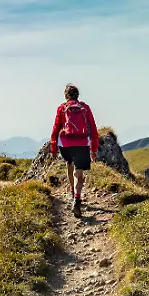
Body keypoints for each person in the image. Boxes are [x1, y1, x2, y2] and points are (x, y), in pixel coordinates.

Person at [49, 84, 99, 217]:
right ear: (78, 95)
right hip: (82, 143)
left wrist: (53, 147)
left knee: (69, 165)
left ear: (66, 96)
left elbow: (55, 129)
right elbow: (93, 129)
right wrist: (93, 149)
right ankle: (77, 198)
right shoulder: (85, 108)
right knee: (79, 172)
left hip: (66, 144)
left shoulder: (62, 108)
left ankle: (72, 191)